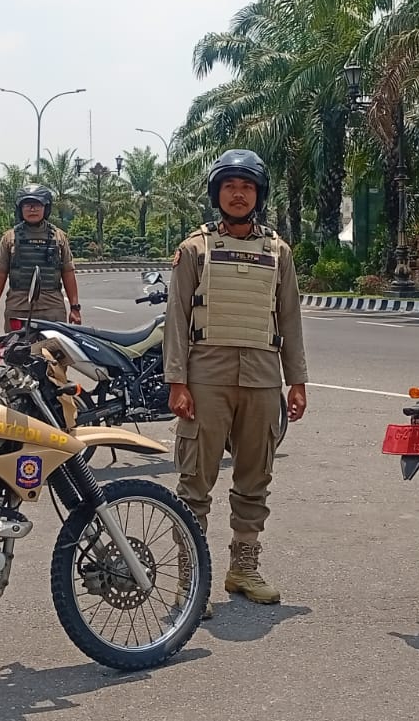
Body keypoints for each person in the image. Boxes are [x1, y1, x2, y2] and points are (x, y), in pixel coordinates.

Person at [164, 148, 308, 616]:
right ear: (217, 193)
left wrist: (297, 380)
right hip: (206, 377)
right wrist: (177, 382)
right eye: (230, 186)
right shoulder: (194, 249)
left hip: (263, 378)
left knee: (254, 478)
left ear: (258, 194)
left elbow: (289, 318)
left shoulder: (278, 252)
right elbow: (176, 320)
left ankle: (243, 568)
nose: (238, 194)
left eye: (247, 186)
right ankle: (192, 577)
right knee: (195, 481)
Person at [0, 184, 81, 336]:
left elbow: (68, 272)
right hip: (18, 308)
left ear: (46, 208)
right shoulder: (9, 238)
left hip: (52, 309)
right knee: (15, 353)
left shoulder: (59, 237)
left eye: (37, 204)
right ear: (20, 209)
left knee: (55, 356)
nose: (32, 209)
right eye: (27, 205)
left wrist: (75, 309)